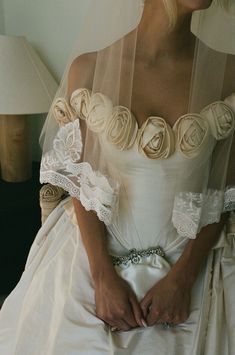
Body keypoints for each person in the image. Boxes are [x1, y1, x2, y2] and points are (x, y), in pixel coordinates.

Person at [0, 0, 235, 354]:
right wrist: (101, 277)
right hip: (93, 262)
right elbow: (81, 183)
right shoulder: (90, 69)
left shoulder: (228, 72)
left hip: (193, 268)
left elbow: (224, 192)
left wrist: (184, 279)